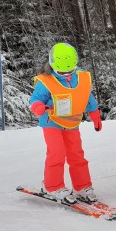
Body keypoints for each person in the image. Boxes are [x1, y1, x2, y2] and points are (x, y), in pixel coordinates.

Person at [29, 42, 102, 205]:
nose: (66, 74)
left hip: (72, 123)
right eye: (61, 71)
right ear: (52, 65)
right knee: (57, 152)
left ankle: (82, 186)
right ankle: (52, 186)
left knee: (76, 154)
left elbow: (86, 96)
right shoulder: (45, 80)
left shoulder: (82, 77)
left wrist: (95, 113)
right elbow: (35, 99)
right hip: (51, 122)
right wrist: (38, 107)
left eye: (69, 70)